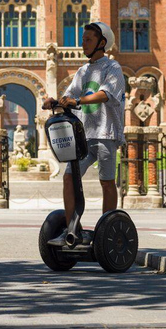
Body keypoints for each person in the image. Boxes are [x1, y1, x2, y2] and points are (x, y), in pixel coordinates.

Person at [42, 22, 125, 246]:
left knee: (107, 182)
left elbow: (105, 94)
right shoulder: (83, 71)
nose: (83, 43)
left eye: (88, 39)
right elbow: (69, 95)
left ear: (102, 43)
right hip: (84, 136)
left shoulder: (113, 68)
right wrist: (55, 101)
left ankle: (106, 230)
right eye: (83, 39)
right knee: (69, 177)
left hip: (106, 133)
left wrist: (77, 100)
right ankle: (72, 230)